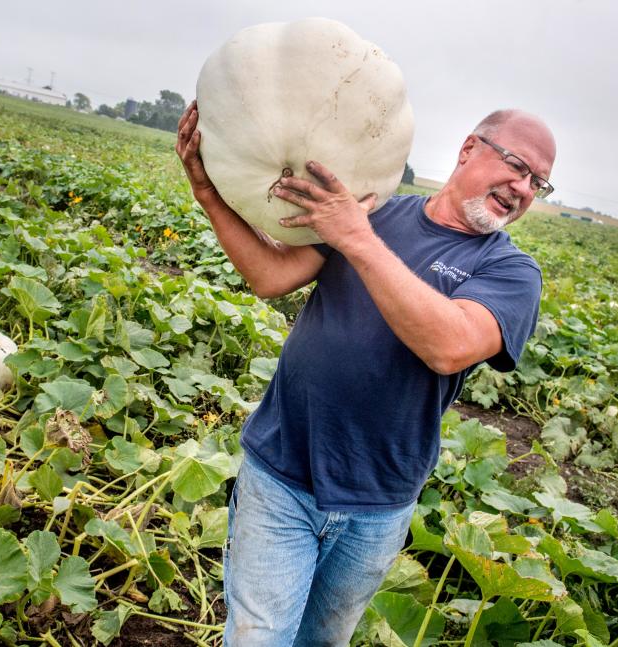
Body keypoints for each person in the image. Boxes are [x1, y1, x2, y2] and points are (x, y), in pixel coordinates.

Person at [175, 102, 555, 646]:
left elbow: (449, 347)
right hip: (282, 470)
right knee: (258, 636)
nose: (522, 187)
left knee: (322, 642)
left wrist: (356, 237)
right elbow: (271, 274)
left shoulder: (512, 272)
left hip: (378, 501)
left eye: (538, 181)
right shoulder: (376, 210)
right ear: (469, 149)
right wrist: (209, 195)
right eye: (517, 165)